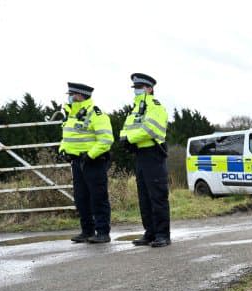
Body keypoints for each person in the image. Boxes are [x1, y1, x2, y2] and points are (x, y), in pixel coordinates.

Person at [58, 82, 114, 243]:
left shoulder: (96, 114)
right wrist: (63, 150)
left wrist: (90, 155)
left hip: (93, 162)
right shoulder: (72, 114)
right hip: (77, 162)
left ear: (80, 96)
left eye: (71, 94)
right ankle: (87, 231)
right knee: (81, 198)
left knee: (98, 197)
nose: (69, 98)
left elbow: (106, 139)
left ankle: (103, 232)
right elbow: (67, 137)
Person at [120, 73, 170, 247]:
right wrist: (125, 139)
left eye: (140, 88)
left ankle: (163, 235)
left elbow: (150, 129)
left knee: (157, 196)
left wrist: (130, 139)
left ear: (149, 89)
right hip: (140, 155)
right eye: (135, 88)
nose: (137, 91)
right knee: (144, 197)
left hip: (153, 154)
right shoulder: (135, 109)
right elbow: (125, 129)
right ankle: (150, 232)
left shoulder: (155, 106)